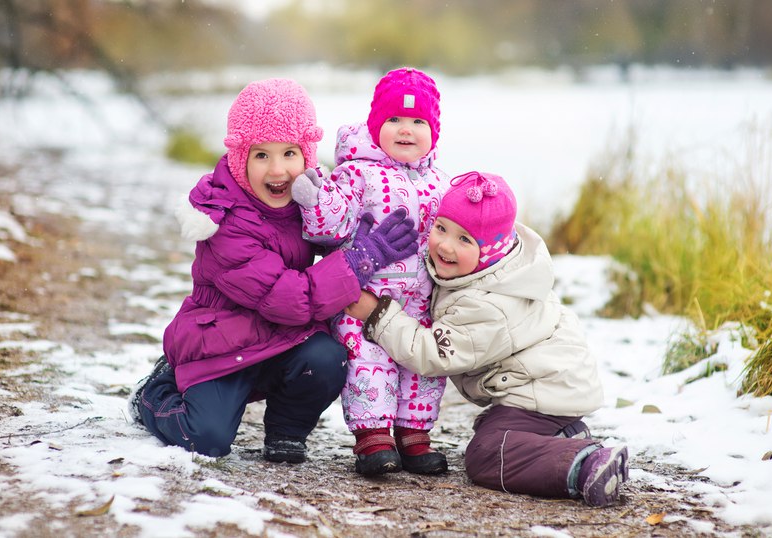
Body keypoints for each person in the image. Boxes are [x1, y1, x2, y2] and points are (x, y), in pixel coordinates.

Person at [127, 78, 419, 464]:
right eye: (261, 155)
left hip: (279, 341)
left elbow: (333, 235)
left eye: (290, 153)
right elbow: (291, 300)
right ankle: (154, 395)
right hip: (221, 345)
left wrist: (362, 229)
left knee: (326, 358)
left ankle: (285, 432)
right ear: (239, 158)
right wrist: (359, 260)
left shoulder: (308, 199)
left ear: (308, 155)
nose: (278, 169)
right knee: (207, 438)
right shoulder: (226, 221)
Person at [345, 170, 629, 506]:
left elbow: (433, 354)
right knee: (493, 429)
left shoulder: (488, 304)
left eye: (465, 240)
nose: (446, 246)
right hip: (549, 385)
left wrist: (378, 313)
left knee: (487, 453)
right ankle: (559, 435)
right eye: (441, 229)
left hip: (541, 391)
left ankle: (583, 463)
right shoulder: (493, 268)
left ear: (491, 248)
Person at [289, 67, 450, 476]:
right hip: (368, 298)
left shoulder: (442, 182)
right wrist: (316, 201)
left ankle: (414, 433)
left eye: (418, 122)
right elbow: (334, 222)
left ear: (433, 131)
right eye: (394, 120)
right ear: (376, 126)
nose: (406, 130)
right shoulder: (359, 173)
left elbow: (455, 234)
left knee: (420, 368)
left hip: (421, 303)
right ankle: (373, 437)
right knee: (369, 363)